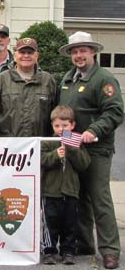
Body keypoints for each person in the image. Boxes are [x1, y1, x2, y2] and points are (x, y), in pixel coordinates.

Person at [58, 31, 123, 269]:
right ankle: (85, 244)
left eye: (83, 50)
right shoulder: (67, 79)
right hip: (73, 145)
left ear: (93, 52)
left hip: (96, 149)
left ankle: (109, 250)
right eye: (75, 51)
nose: (79, 55)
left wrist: (94, 130)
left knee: (100, 199)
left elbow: (115, 111)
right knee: (80, 198)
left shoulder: (103, 79)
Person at [41, 105, 90, 265]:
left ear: (72, 125)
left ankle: (68, 251)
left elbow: (84, 163)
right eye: (57, 126)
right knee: (50, 224)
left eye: (65, 126)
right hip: (51, 192)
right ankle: (49, 251)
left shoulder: (75, 142)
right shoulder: (48, 142)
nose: (61, 129)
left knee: (70, 224)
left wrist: (72, 149)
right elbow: (41, 160)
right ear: (52, 126)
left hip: (70, 191)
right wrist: (55, 155)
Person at [0, 37, 57, 136]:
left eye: (30, 52)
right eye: (22, 52)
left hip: (40, 145)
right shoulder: (1, 80)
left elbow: (56, 115)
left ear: (37, 55)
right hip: (9, 146)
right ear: (15, 55)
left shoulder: (48, 80)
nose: (26, 56)